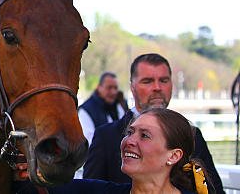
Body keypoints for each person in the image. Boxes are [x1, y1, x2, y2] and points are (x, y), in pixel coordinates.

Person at [82, 53, 224, 194]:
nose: (157, 87)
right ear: (132, 87)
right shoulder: (106, 136)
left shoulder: (192, 134)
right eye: (147, 81)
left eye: (163, 80)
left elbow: (214, 189)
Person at [14, 108, 211, 193]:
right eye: (130, 132)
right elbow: (28, 188)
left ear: (174, 156)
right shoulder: (94, 192)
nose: (129, 141)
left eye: (144, 135)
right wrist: (25, 167)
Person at [78, 71, 126, 145]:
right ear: (99, 87)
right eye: (109, 88)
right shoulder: (85, 111)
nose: (113, 92)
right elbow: (89, 143)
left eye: (115, 88)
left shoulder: (118, 106)